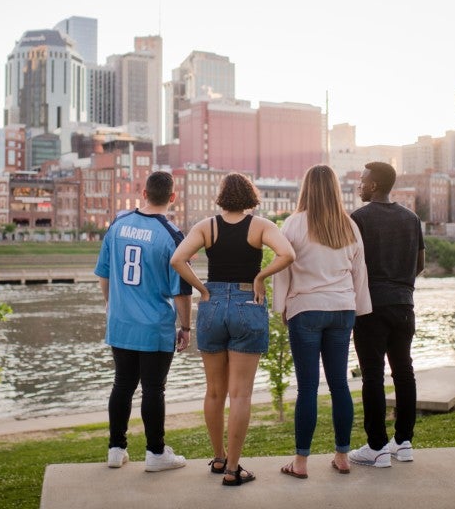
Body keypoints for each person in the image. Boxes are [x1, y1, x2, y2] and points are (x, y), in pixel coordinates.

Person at [170, 172, 294, 486]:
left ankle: (219, 457)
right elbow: (288, 254)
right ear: (250, 196)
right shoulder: (262, 226)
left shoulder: (206, 227)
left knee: (214, 391)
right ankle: (233, 469)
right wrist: (260, 277)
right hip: (246, 303)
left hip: (212, 305)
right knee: (240, 394)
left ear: (222, 196)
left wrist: (201, 288)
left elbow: (178, 259)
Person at [273, 164, 372, 478]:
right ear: (334, 189)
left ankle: (300, 463)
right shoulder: (350, 226)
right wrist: (357, 308)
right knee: (340, 385)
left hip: (306, 308)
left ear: (306, 188)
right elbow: (360, 272)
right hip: (342, 309)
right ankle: (342, 456)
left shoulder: (294, 224)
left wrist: (282, 307)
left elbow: (282, 269)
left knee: (308, 389)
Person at [94, 171, 193, 472]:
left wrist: (113, 307)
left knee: (122, 385)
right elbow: (181, 291)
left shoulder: (118, 225)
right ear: (172, 197)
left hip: (121, 323)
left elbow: (103, 275)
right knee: (153, 389)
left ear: (144, 193)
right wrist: (186, 327)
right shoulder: (173, 235)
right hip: (154, 326)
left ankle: (115, 448)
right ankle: (155, 453)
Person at [348, 161, 425, 468]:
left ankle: (377, 447)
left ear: (375, 185)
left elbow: (351, 264)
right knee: (404, 371)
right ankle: (403, 442)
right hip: (404, 305)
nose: (359, 186)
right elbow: (419, 263)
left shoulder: (359, 218)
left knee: (372, 375)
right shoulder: (411, 218)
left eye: (363, 181)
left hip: (371, 306)